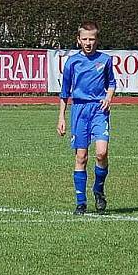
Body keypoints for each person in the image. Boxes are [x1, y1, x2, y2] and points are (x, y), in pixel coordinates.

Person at [57, 21, 116, 215]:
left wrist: (108, 97)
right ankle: (80, 202)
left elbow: (112, 83)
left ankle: (98, 189)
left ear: (97, 40)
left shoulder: (106, 60)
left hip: (99, 110)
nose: (88, 42)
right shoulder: (72, 62)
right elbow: (64, 92)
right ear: (78, 40)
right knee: (81, 157)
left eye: (92, 39)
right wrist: (61, 118)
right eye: (84, 39)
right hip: (79, 111)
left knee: (101, 153)